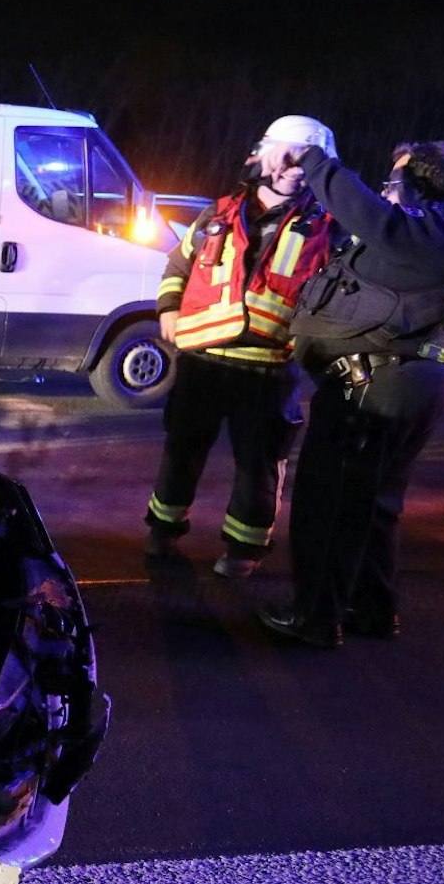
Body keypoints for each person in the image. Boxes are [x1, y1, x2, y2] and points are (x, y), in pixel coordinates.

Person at [255, 140, 444, 648]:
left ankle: (314, 619)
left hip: (373, 389)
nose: (385, 190)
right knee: (373, 506)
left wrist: (313, 159)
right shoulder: (442, 236)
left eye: (394, 180)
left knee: (330, 505)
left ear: (421, 185)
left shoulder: (429, 235)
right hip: (401, 382)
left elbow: (370, 215)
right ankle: (370, 608)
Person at [144, 116, 339, 578]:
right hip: (202, 360)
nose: (295, 170)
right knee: (181, 451)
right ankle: (162, 529)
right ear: (265, 155)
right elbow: (178, 266)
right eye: (289, 157)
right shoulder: (219, 214)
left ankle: (243, 551)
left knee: (259, 466)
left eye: (308, 161)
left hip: (268, 368)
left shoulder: (329, 227)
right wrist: (168, 308)